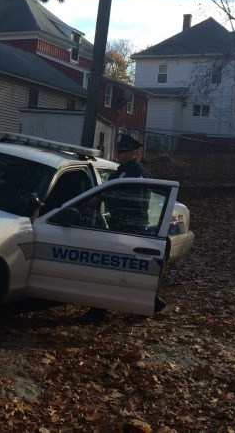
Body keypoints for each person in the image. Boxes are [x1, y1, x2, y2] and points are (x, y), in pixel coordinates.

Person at [79, 133, 150, 325]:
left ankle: (98, 312)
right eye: (118, 150)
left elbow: (126, 197)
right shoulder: (123, 171)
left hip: (130, 229)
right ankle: (149, 304)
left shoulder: (137, 174)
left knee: (113, 271)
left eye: (123, 151)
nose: (119, 154)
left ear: (135, 152)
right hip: (119, 226)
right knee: (117, 271)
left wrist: (101, 198)